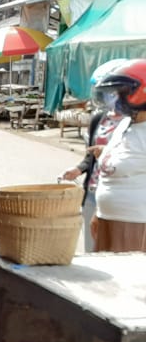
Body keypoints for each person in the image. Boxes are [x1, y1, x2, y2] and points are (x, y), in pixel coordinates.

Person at [60, 59, 128, 251]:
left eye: (111, 93)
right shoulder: (99, 119)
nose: (107, 97)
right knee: (91, 249)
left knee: (117, 250)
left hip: (119, 196)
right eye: (104, 93)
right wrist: (79, 169)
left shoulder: (135, 123)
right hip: (92, 193)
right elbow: (91, 154)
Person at [90, 59, 146, 252]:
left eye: (124, 93)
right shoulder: (125, 124)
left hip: (135, 223)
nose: (118, 99)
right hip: (109, 218)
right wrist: (99, 212)